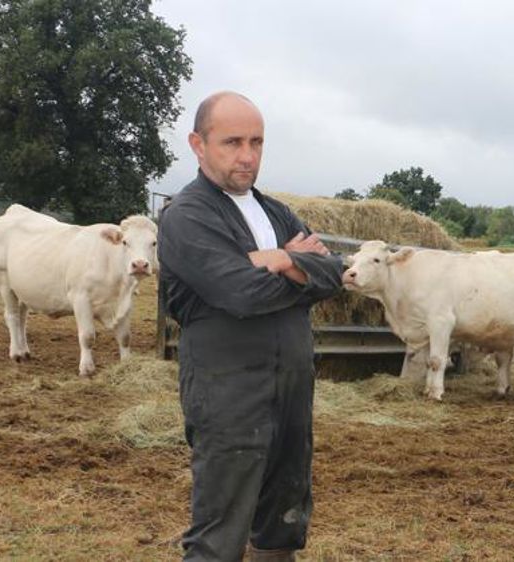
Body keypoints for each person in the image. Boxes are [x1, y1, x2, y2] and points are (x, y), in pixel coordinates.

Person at [158, 92, 344, 561]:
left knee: (283, 523)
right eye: (232, 142)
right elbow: (239, 293)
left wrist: (280, 259)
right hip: (228, 397)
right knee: (219, 535)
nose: (247, 156)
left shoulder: (275, 211)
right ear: (198, 144)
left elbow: (333, 275)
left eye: (256, 142)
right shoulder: (187, 215)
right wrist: (294, 265)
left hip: (291, 393)